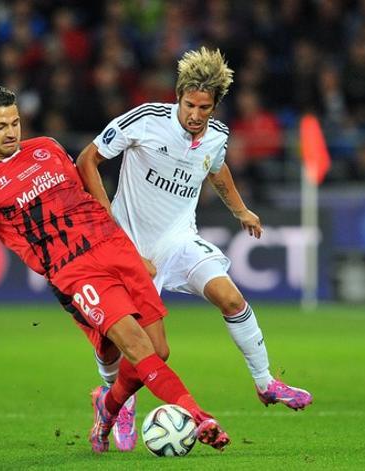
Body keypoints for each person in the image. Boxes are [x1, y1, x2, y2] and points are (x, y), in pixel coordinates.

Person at [0, 85, 231, 453]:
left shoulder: (47, 148)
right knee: (134, 345)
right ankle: (198, 415)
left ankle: (107, 404)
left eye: (15, 122)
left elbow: (84, 193)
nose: (11, 132)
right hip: (75, 270)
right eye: (0, 126)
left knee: (158, 350)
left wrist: (120, 235)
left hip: (115, 250)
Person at [77, 47, 313, 450]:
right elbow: (87, 159)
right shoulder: (147, 120)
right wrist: (109, 226)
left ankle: (265, 383)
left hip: (179, 241)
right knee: (148, 349)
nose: (196, 115)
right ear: (178, 97)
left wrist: (241, 210)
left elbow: (217, 170)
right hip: (129, 247)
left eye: (205, 107)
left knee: (231, 298)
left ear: (215, 105)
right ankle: (114, 399)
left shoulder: (217, 136)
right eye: (190, 105)